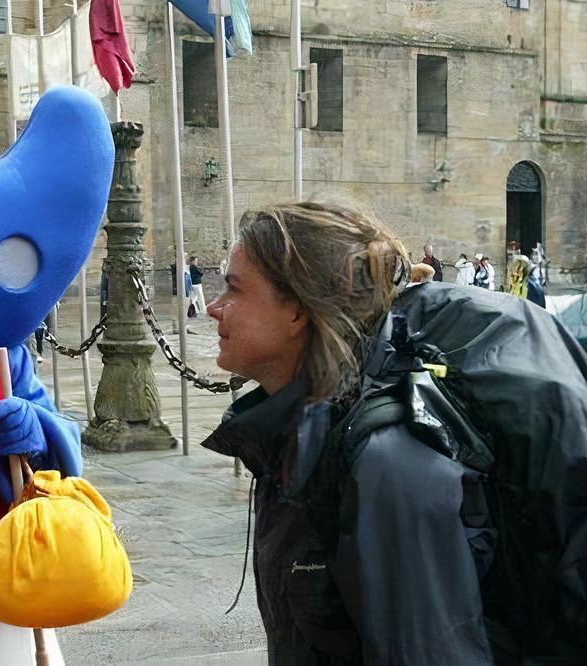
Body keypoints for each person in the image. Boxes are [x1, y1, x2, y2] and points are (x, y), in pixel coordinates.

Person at [202, 202, 495, 664]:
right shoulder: (298, 437)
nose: (214, 308)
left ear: (297, 310)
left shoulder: (387, 463)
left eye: (234, 289)